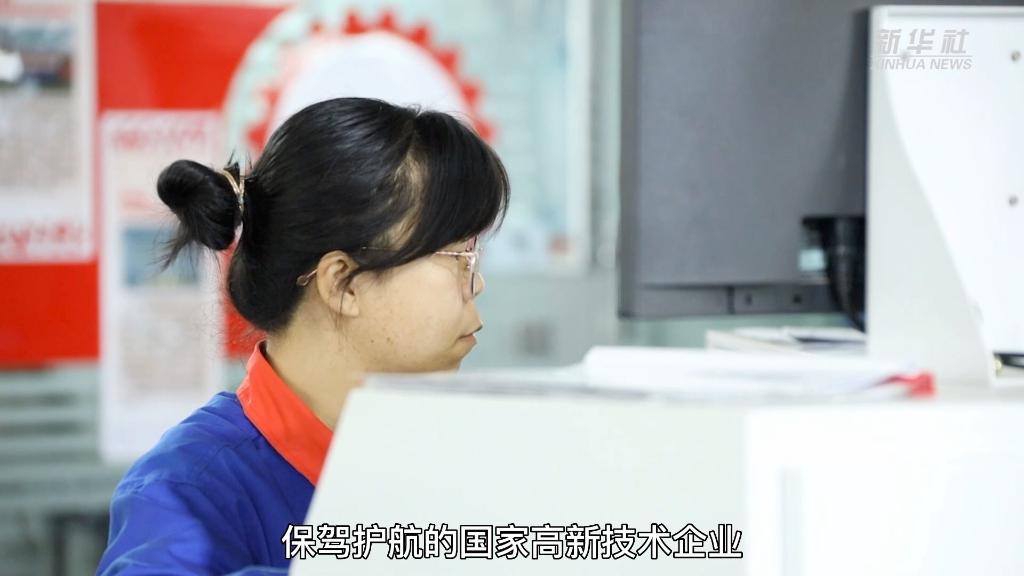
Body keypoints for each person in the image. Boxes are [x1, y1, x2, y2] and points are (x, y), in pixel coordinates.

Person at [96, 97, 510, 575]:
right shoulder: (186, 492)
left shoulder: (441, 457)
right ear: (343, 283)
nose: (477, 283)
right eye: (458, 256)